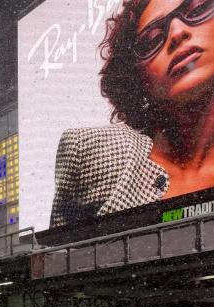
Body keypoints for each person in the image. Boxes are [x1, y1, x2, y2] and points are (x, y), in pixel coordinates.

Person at [51, 0, 214, 228]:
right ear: (137, 77)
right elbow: (62, 258)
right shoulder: (90, 153)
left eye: (197, 9)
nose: (177, 33)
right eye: (152, 40)